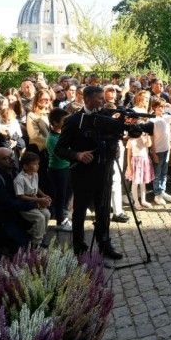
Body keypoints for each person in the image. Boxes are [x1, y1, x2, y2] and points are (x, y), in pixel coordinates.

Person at [54, 86, 122, 259]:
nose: (103, 101)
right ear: (87, 100)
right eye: (100, 98)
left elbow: (113, 139)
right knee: (80, 211)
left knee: (103, 209)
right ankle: (79, 246)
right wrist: (77, 155)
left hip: (104, 172)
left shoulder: (107, 116)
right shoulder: (73, 120)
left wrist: (115, 149)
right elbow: (59, 149)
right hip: (82, 174)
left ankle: (104, 243)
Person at [13, 152, 52, 247]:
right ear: (26, 166)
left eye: (38, 163)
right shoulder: (19, 179)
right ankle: (36, 243)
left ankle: (38, 235)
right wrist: (39, 200)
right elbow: (21, 196)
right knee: (40, 218)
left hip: (35, 202)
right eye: (35, 164)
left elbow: (36, 187)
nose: (38, 166)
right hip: (25, 205)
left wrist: (44, 195)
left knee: (47, 214)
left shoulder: (35, 174)